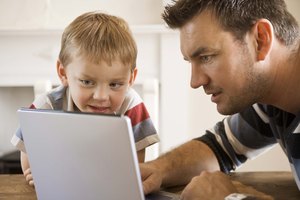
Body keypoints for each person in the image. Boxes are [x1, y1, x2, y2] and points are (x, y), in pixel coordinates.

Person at [140, 0, 300, 199]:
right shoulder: (272, 102)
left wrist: (229, 198)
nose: (195, 81)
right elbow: (220, 147)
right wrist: (156, 170)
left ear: (260, 39)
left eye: (206, 57)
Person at [11, 11, 159, 186]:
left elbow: (137, 163)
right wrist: (39, 174)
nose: (101, 97)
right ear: (63, 73)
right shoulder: (46, 105)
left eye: (115, 84)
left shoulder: (131, 105)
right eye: (87, 82)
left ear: (130, 79)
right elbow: (29, 151)